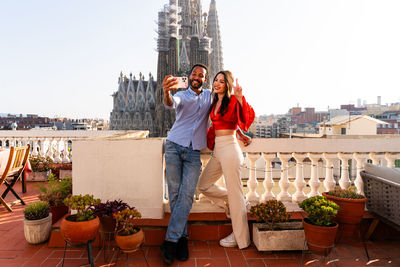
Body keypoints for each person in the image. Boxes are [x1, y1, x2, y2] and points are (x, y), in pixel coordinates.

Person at [160, 64, 213, 265]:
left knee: (187, 195)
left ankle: (170, 241)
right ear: (189, 77)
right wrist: (166, 91)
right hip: (174, 145)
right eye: (194, 74)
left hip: (193, 151)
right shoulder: (183, 95)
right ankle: (182, 240)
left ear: (205, 79)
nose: (196, 77)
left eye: (201, 75)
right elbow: (171, 102)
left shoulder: (209, 96)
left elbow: (224, 105)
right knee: (174, 194)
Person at [197, 70, 255, 249]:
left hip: (230, 148)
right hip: (218, 150)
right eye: (215, 80)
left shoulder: (232, 101)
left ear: (227, 84)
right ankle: (237, 200)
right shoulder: (215, 101)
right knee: (203, 185)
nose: (217, 83)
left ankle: (241, 239)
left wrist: (239, 96)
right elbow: (225, 124)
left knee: (235, 193)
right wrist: (240, 133)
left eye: (221, 81)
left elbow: (244, 119)